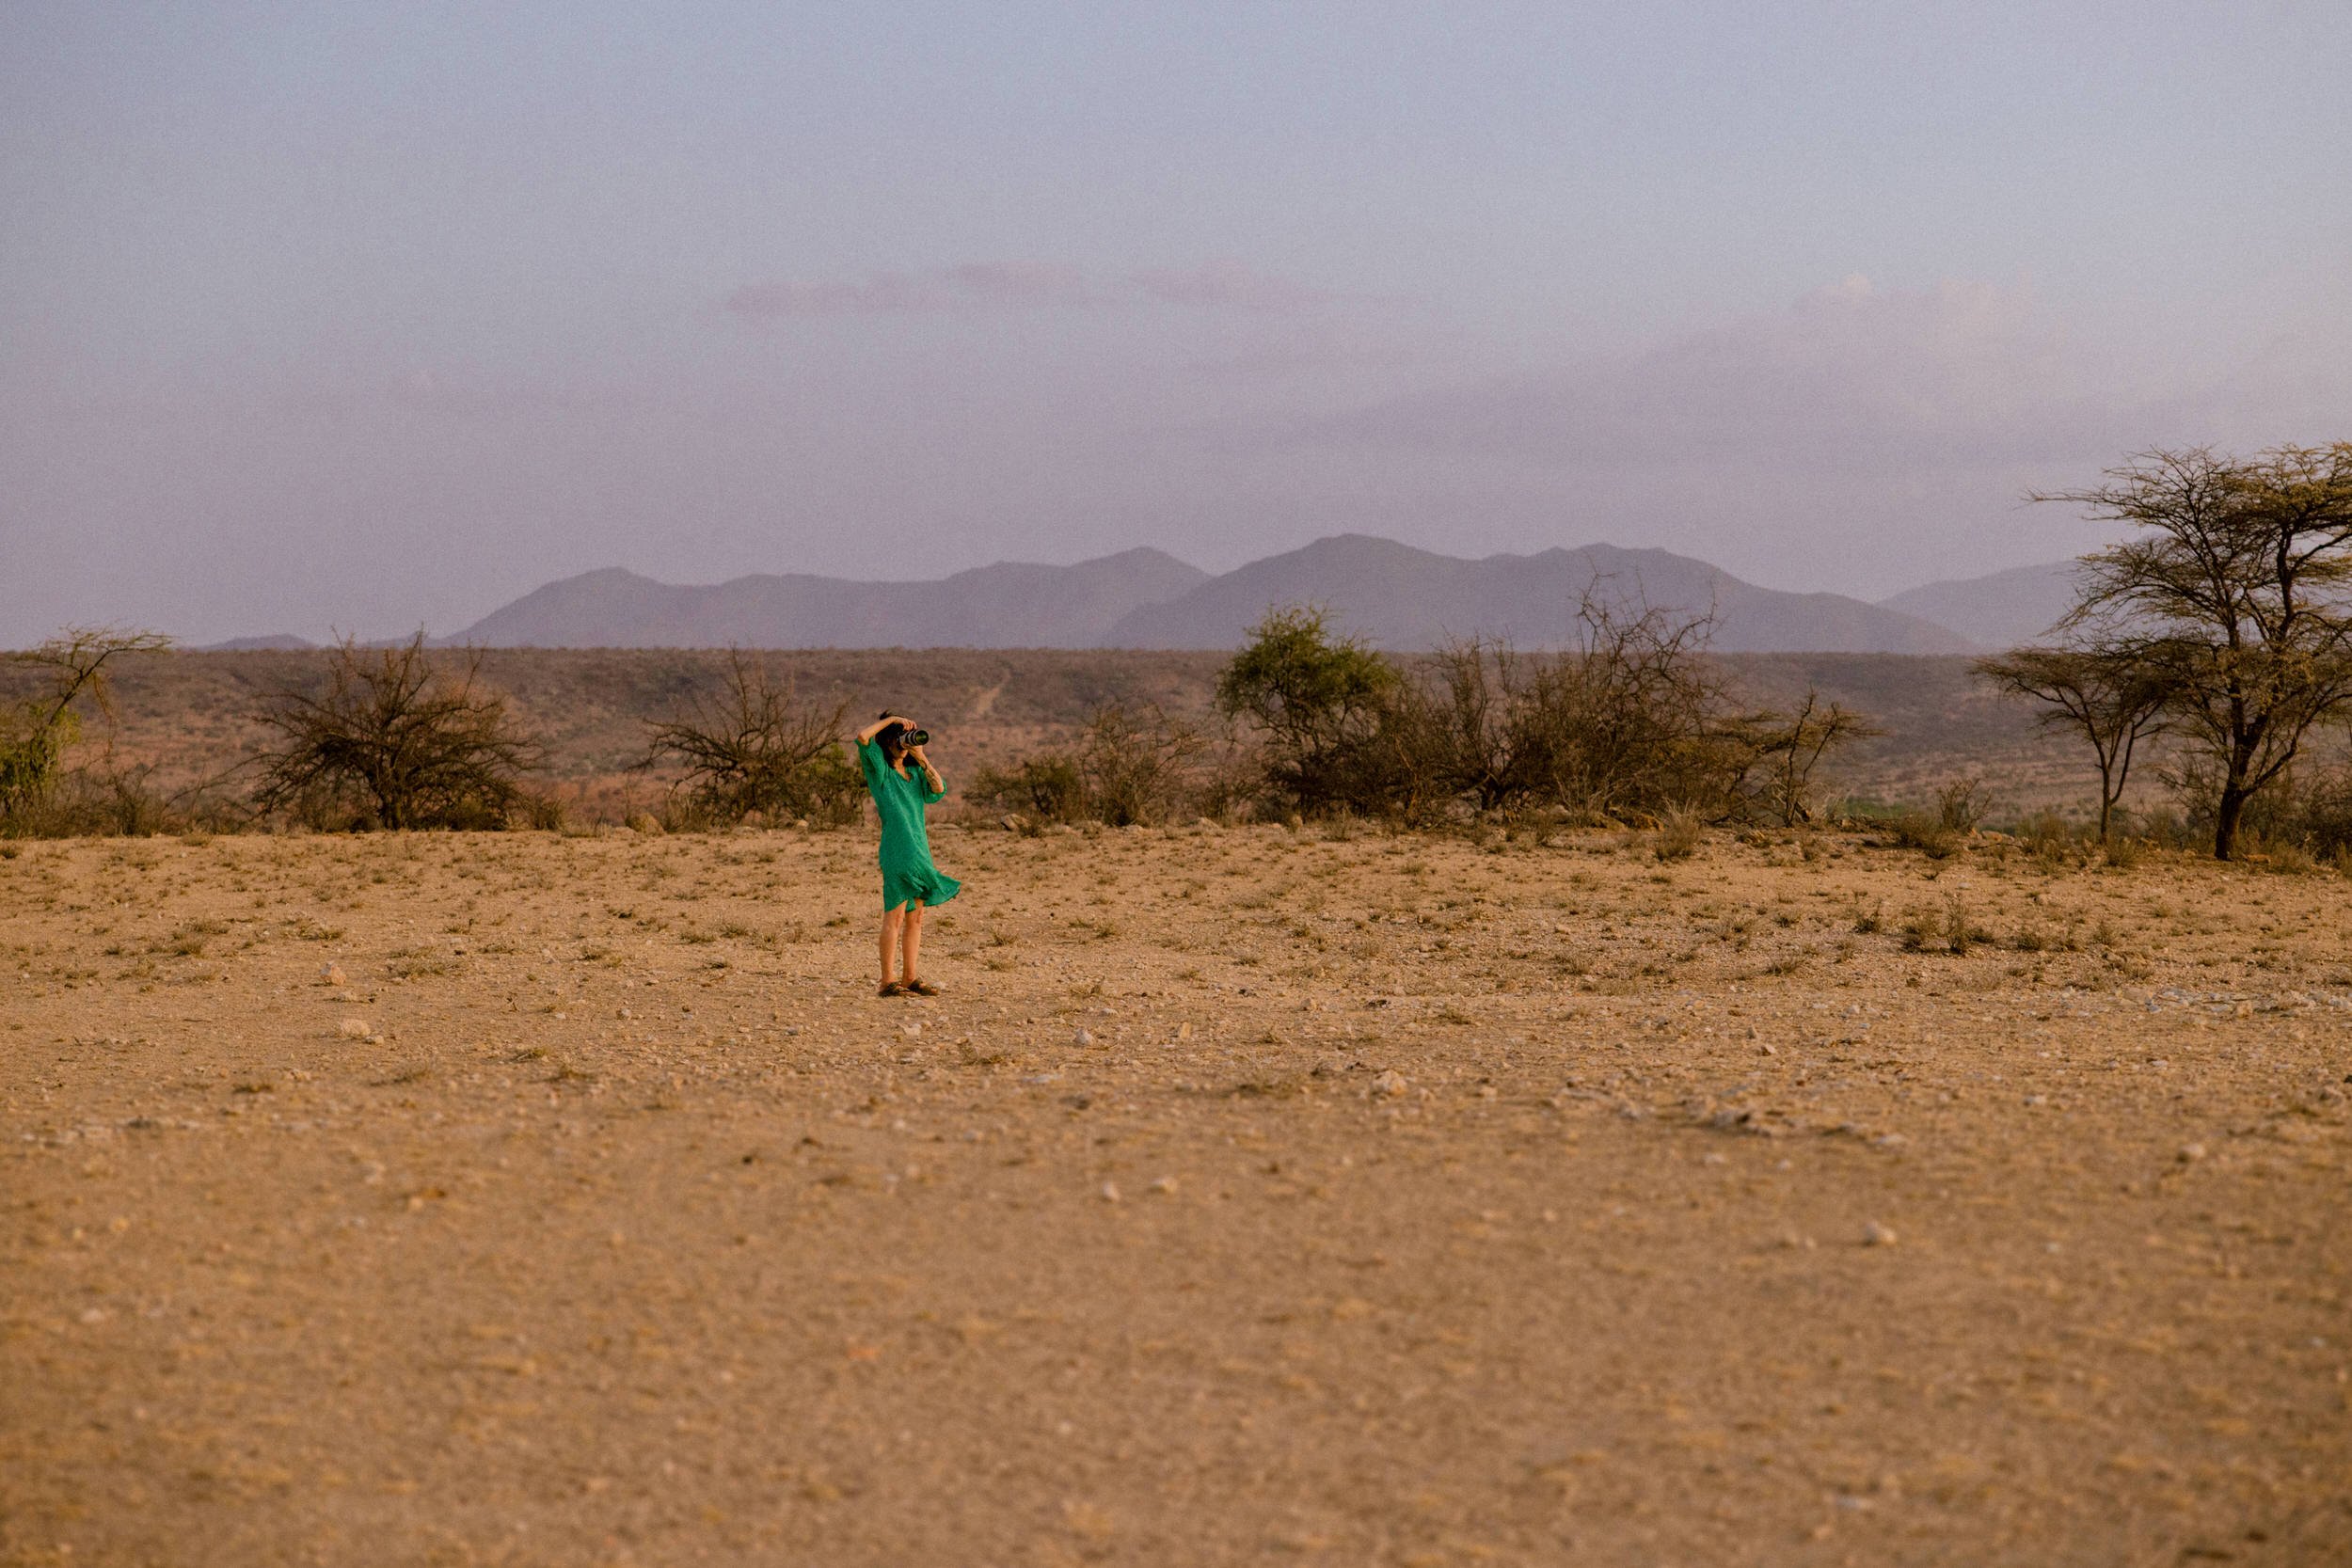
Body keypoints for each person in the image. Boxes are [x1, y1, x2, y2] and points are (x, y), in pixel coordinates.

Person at [853, 712, 961, 996]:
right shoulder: (881, 771)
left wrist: (921, 756)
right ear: (888, 739)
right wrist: (893, 720)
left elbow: (938, 789)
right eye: (899, 736)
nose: (903, 741)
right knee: (896, 916)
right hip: (896, 851)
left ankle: (909, 977)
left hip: (919, 850)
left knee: (916, 918)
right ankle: (887, 981)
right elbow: (863, 738)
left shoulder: (914, 775)